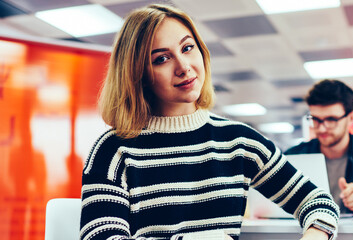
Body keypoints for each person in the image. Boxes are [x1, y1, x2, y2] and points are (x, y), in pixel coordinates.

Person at [80, 4, 339, 240]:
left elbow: (318, 202)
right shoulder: (113, 150)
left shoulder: (240, 141)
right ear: (138, 74)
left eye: (187, 47)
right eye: (161, 58)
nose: (183, 66)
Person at [285, 79, 353, 214]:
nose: (322, 128)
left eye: (331, 119)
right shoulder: (293, 157)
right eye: (316, 119)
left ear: (351, 118)